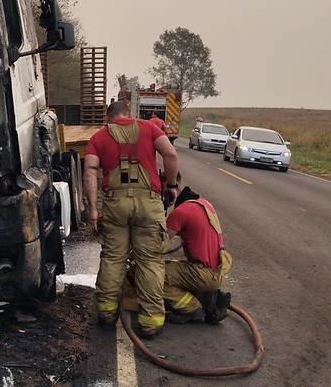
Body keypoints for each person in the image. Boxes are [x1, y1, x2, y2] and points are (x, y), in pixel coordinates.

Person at [83, 101, 179, 338]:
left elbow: (90, 173)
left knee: (113, 258)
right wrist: (171, 185)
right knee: (149, 261)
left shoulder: (99, 137)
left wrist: (94, 210)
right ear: (129, 115)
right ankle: (151, 323)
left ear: (109, 118)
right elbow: (170, 154)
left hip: (115, 205)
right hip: (148, 204)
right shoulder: (149, 128)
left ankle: (106, 315)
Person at [163, 184, 233, 324]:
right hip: (216, 271)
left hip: (202, 273)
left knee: (154, 274)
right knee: (178, 270)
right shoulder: (205, 205)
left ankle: (191, 308)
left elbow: (157, 245)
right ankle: (208, 300)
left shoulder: (181, 212)